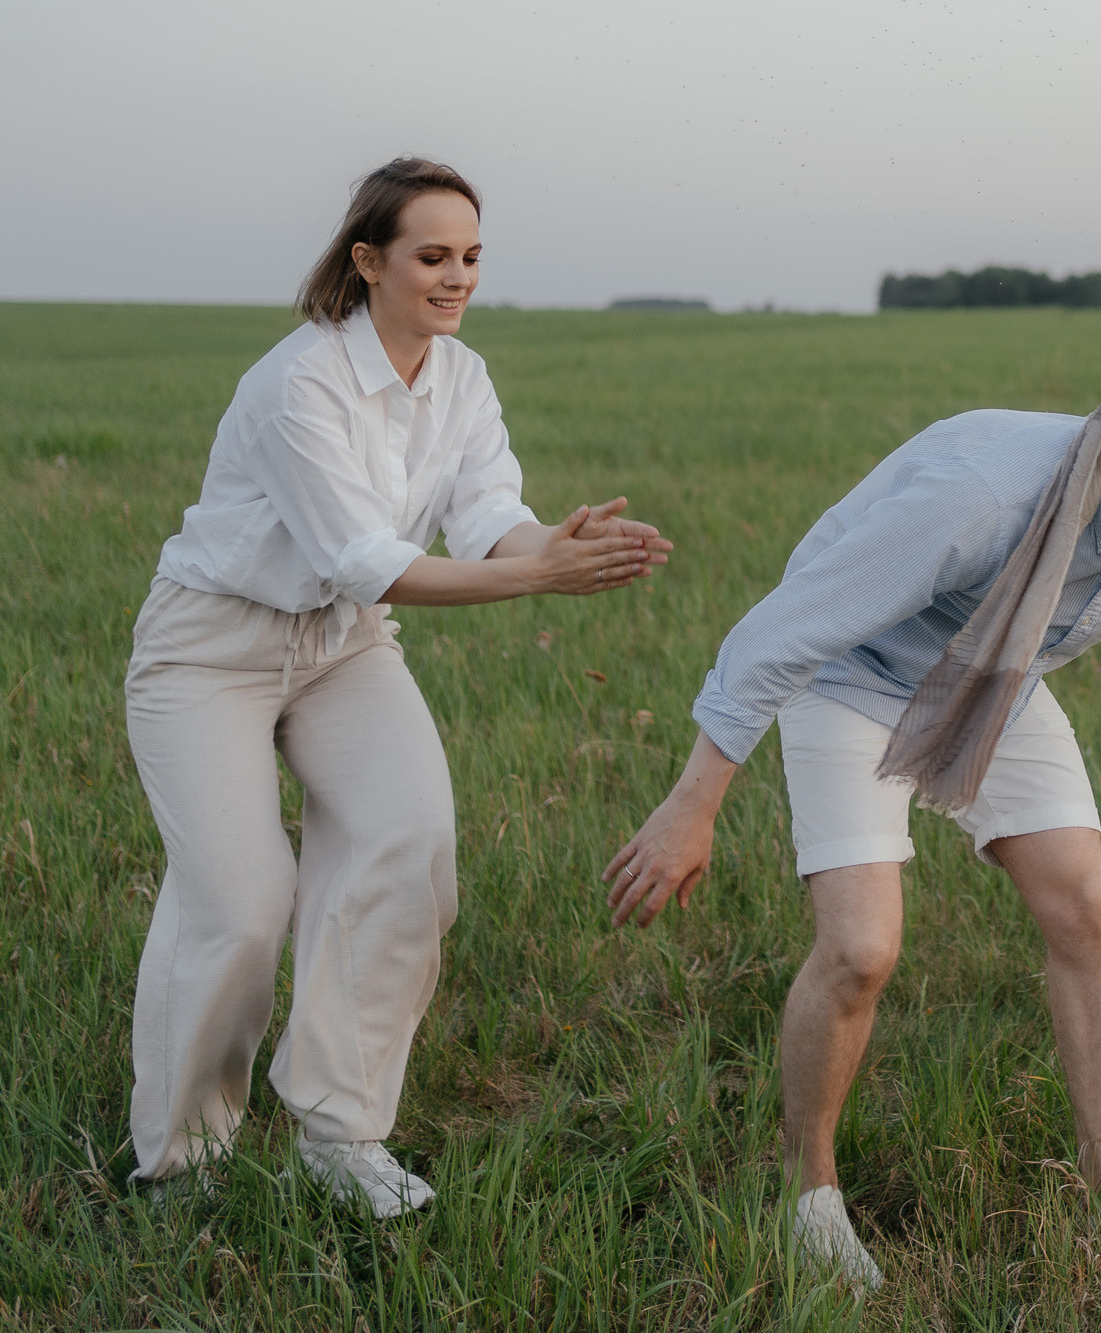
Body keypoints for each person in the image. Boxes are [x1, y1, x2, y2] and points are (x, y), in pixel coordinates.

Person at [602, 363, 1101, 1306]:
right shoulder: (984, 499)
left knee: (1089, 908)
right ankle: (809, 1192)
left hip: (1000, 678)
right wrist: (693, 802)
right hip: (851, 675)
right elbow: (782, 632)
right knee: (859, 948)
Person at [124, 157, 671, 1216]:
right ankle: (179, 1165)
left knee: (410, 847)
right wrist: (533, 577)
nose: (456, 276)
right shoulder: (299, 384)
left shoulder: (460, 376)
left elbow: (485, 513)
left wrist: (546, 543)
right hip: (210, 649)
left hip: (344, 646)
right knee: (240, 904)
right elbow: (370, 559)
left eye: (470, 256)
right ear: (369, 262)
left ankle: (340, 1132)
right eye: (433, 256)